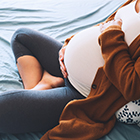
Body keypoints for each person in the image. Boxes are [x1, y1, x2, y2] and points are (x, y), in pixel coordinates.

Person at [0, 0, 139, 139]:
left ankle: (40, 88)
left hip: (85, 93)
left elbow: (132, 86)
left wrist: (111, 34)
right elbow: (107, 24)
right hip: (65, 66)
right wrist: (69, 43)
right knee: (21, 36)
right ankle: (43, 85)